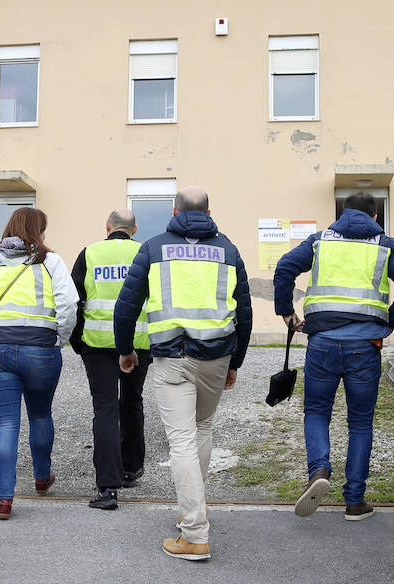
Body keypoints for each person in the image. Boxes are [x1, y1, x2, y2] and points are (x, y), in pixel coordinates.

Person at [114, 186, 252, 561]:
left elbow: (127, 304)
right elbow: (245, 310)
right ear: (209, 211)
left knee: (182, 441)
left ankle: (194, 533)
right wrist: (235, 361)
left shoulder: (155, 248)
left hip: (172, 356)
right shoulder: (228, 250)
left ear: (175, 210)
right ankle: (195, 510)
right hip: (216, 356)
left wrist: (126, 350)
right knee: (202, 429)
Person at [273, 192, 394, 521]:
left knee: (316, 412)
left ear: (342, 213)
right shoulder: (386, 244)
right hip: (365, 346)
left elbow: (284, 268)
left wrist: (286, 313)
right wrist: (388, 321)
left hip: (322, 344)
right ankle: (354, 502)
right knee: (360, 423)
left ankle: (319, 471)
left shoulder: (319, 241)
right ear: (375, 217)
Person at [0, 207, 77, 521]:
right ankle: (42, 479)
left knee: (5, 423)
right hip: (40, 349)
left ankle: (4, 500)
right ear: (38, 230)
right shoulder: (50, 261)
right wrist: (59, 339)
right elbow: (68, 304)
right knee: (40, 413)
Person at [70, 208, 151, 510]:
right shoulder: (145, 253)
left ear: (107, 226)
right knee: (132, 401)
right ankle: (131, 467)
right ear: (135, 228)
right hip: (139, 342)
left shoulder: (89, 253)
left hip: (97, 343)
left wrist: (78, 340)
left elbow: (74, 300)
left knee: (105, 408)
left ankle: (108, 487)